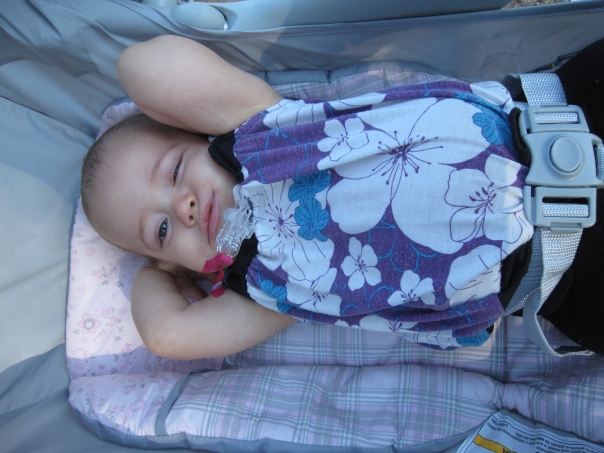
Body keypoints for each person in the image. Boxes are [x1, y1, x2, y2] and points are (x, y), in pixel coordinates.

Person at [81, 35, 604, 360]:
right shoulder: (263, 292)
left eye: (175, 170)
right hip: (566, 274)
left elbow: (142, 67)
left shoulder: (260, 130)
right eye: (162, 230)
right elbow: (168, 336)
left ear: (196, 128)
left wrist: (160, 249)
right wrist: (156, 274)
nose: (183, 207)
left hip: (563, 117)